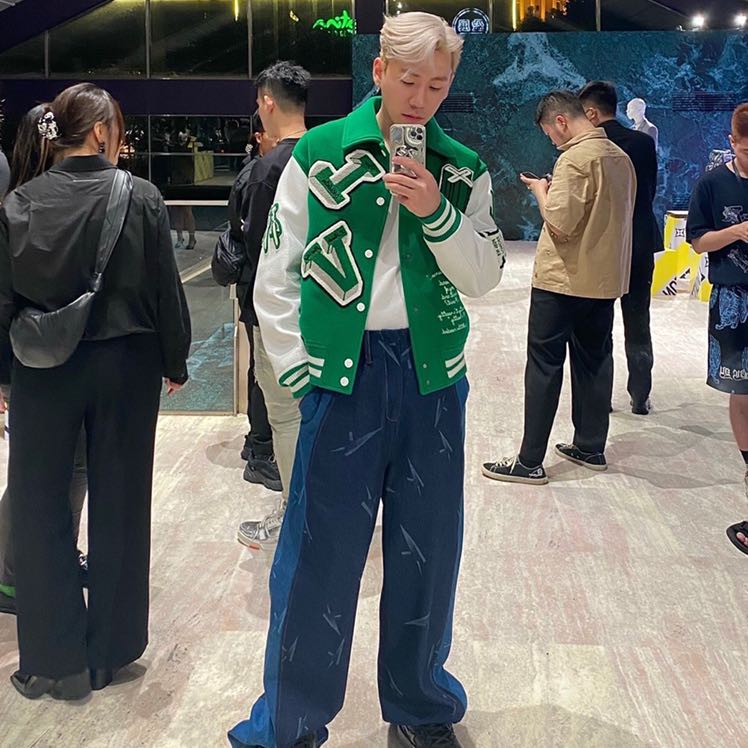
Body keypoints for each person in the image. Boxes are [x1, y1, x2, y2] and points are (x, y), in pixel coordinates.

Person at [229, 12, 505, 747]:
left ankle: (419, 706)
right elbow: (277, 273)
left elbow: (484, 274)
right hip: (340, 379)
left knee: (427, 551)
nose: (421, 99)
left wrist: (436, 211)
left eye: (437, 85)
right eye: (409, 80)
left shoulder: (461, 168)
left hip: (432, 382)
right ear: (379, 72)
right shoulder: (318, 153)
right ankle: (287, 722)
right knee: (316, 557)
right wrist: (299, 372)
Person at [0, 83, 191, 700]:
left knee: (40, 506)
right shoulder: (141, 197)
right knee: (121, 504)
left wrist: (3, 377)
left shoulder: (20, 203)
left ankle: (53, 661)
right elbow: (165, 289)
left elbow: (2, 301)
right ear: (103, 132)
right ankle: (110, 651)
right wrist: (176, 359)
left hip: (42, 367)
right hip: (127, 367)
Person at [483, 90, 635, 484]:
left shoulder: (575, 159)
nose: (551, 140)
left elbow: (561, 223)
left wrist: (540, 192)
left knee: (544, 366)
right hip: (603, 282)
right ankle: (590, 446)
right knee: (595, 361)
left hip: (563, 282)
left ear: (562, 121)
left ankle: (529, 461)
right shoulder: (620, 158)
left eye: (549, 132)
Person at [0, 103, 88, 617]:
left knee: (50, 468)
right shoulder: (25, 207)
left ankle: (40, 562)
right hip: (37, 360)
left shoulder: (25, 202)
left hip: (42, 357)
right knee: (49, 470)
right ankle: (16, 574)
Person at [234, 62, 309, 550]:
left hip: (278, 313)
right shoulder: (326, 153)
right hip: (330, 310)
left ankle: (294, 515)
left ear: (267, 102)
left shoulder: (267, 170)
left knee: (285, 416)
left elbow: (259, 251)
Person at [686, 102, 748, 554]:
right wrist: (738, 231)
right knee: (740, 392)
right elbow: (697, 242)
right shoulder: (712, 184)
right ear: (732, 142)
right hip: (733, 300)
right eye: (747, 151)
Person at [579, 81, 661, 414]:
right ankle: (640, 396)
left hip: (602, 244)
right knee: (638, 320)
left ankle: (600, 396)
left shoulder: (587, 147)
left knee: (598, 323)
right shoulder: (643, 143)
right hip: (640, 240)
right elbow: (651, 191)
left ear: (591, 113)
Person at [217, 111, 281, 489]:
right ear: (259, 136)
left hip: (254, 286)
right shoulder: (257, 175)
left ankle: (255, 443)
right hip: (256, 286)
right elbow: (255, 239)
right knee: (262, 371)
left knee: (260, 366)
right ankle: (260, 451)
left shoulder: (253, 171)